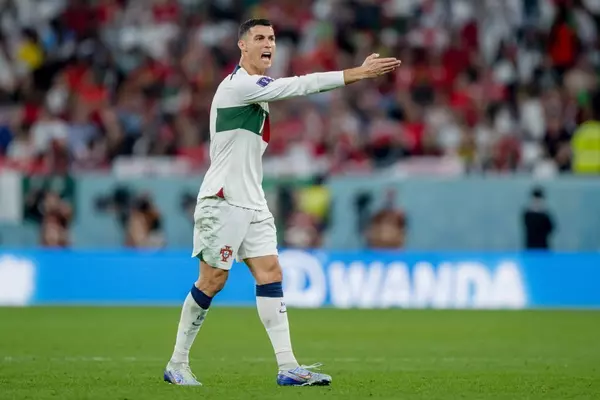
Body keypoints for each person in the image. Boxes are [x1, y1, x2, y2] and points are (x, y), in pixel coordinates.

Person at [163, 18, 401, 387]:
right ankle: (177, 363)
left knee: (271, 273)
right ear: (242, 46)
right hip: (223, 198)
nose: (267, 44)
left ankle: (288, 367)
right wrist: (357, 73)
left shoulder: (255, 91)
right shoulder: (240, 85)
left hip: (252, 199)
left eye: (272, 38)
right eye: (259, 38)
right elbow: (299, 85)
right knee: (212, 280)